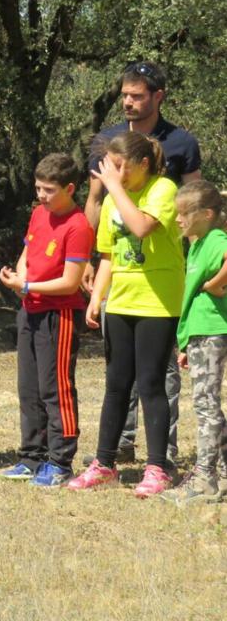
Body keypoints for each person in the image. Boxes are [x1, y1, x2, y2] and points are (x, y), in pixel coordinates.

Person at [84, 61, 202, 464]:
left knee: (158, 377)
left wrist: (201, 258)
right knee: (118, 379)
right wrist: (89, 260)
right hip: (120, 285)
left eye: (137, 95)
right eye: (125, 95)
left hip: (159, 286)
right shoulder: (107, 141)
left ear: (158, 96)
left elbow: (196, 203)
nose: (129, 103)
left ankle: (160, 456)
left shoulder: (180, 145)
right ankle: (115, 451)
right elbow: (97, 204)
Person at [69, 131, 183, 496]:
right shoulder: (114, 200)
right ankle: (104, 465)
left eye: (122, 167)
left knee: (150, 383)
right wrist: (96, 298)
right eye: (111, 167)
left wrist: (112, 189)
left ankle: (157, 468)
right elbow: (109, 256)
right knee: (116, 385)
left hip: (157, 302)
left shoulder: (163, 189)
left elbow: (142, 226)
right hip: (119, 303)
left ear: (144, 164)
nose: (116, 174)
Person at [0, 154, 93, 487]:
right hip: (31, 310)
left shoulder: (79, 226)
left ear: (70, 188)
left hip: (60, 314)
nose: (41, 196)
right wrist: (19, 279)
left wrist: (26, 286)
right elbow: (27, 254)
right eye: (38, 188)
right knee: (29, 389)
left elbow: (70, 282)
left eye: (49, 190)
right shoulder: (39, 214)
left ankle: (60, 461)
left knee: (56, 389)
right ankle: (31, 457)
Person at [160, 181, 227, 504]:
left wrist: (216, 285)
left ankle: (205, 480)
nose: (178, 219)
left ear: (207, 214)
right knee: (207, 404)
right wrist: (185, 343)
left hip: (212, 331)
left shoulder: (216, 240)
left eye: (185, 213)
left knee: (205, 406)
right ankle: (223, 474)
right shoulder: (198, 244)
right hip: (199, 333)